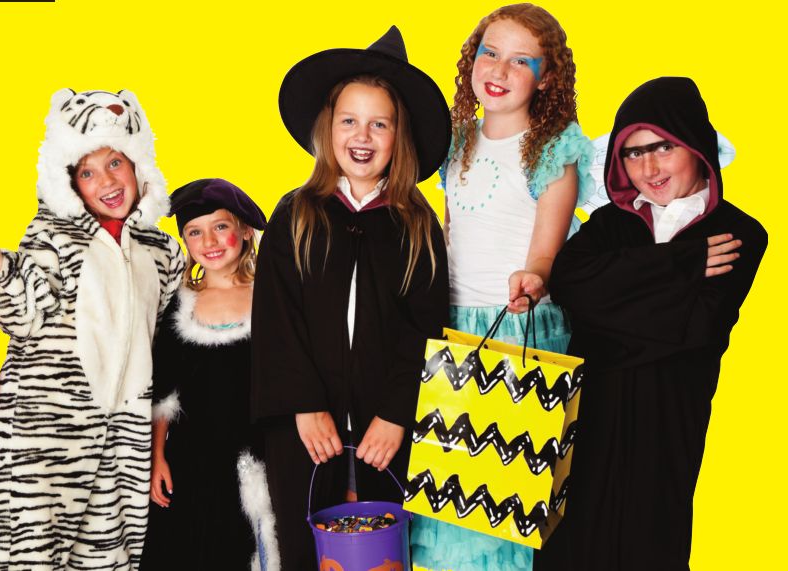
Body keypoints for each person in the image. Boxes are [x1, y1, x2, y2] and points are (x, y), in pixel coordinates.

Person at [0, 89, 184, 569]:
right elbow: (21, 316)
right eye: (88, 172)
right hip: (44, 428)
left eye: (115, 163)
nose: (107, 181)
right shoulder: (53, 236)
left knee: (109, 553)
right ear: (70, 183)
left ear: (138, 165)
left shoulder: (162, 251)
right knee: (31, 551)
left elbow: (166, 337)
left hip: (122, 435)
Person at [532, 76, 767, 570]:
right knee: (572, 542)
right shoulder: (610, 224)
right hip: (589, 419)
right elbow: (569, 285)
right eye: (633, 153)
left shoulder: (739, 232)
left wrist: (606, 309)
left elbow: (698, 328)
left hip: (670, 417)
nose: (649, 168)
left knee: (651, 542)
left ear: (695, 145)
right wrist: (682, 266)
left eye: (663, 147)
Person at [251, 26, 451, 570]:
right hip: (305, 427)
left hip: (384, 428)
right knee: (305, 550)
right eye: (349, 121)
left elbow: (425, 328)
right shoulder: (296, 214)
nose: (363, 136)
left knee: (380, 551)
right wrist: (304, 403)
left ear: (399, 136)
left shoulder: (417, 225)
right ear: (328, 127)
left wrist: (396, 414)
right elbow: (277, 320)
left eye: (379, 124)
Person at [409, 4, 595, 570]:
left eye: (521, 61)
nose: (499, 69)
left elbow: (546, 249)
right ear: (472, 58)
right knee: (443, 489)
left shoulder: (553, 147)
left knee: (503, 496)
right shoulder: (457, 140)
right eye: (490, 52)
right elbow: (451, 231)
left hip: (516, 324)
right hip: (450, 328)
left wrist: (533, 277)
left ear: (547, 77)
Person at [140, 178, 276, 570]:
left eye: (220, 227)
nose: (210, 242)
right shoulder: (180, 304)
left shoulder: (272, 297)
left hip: (258, 452)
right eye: (195, 232)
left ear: (244, 231)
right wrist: (158, 456)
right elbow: (164, 392)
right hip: (194, 458)